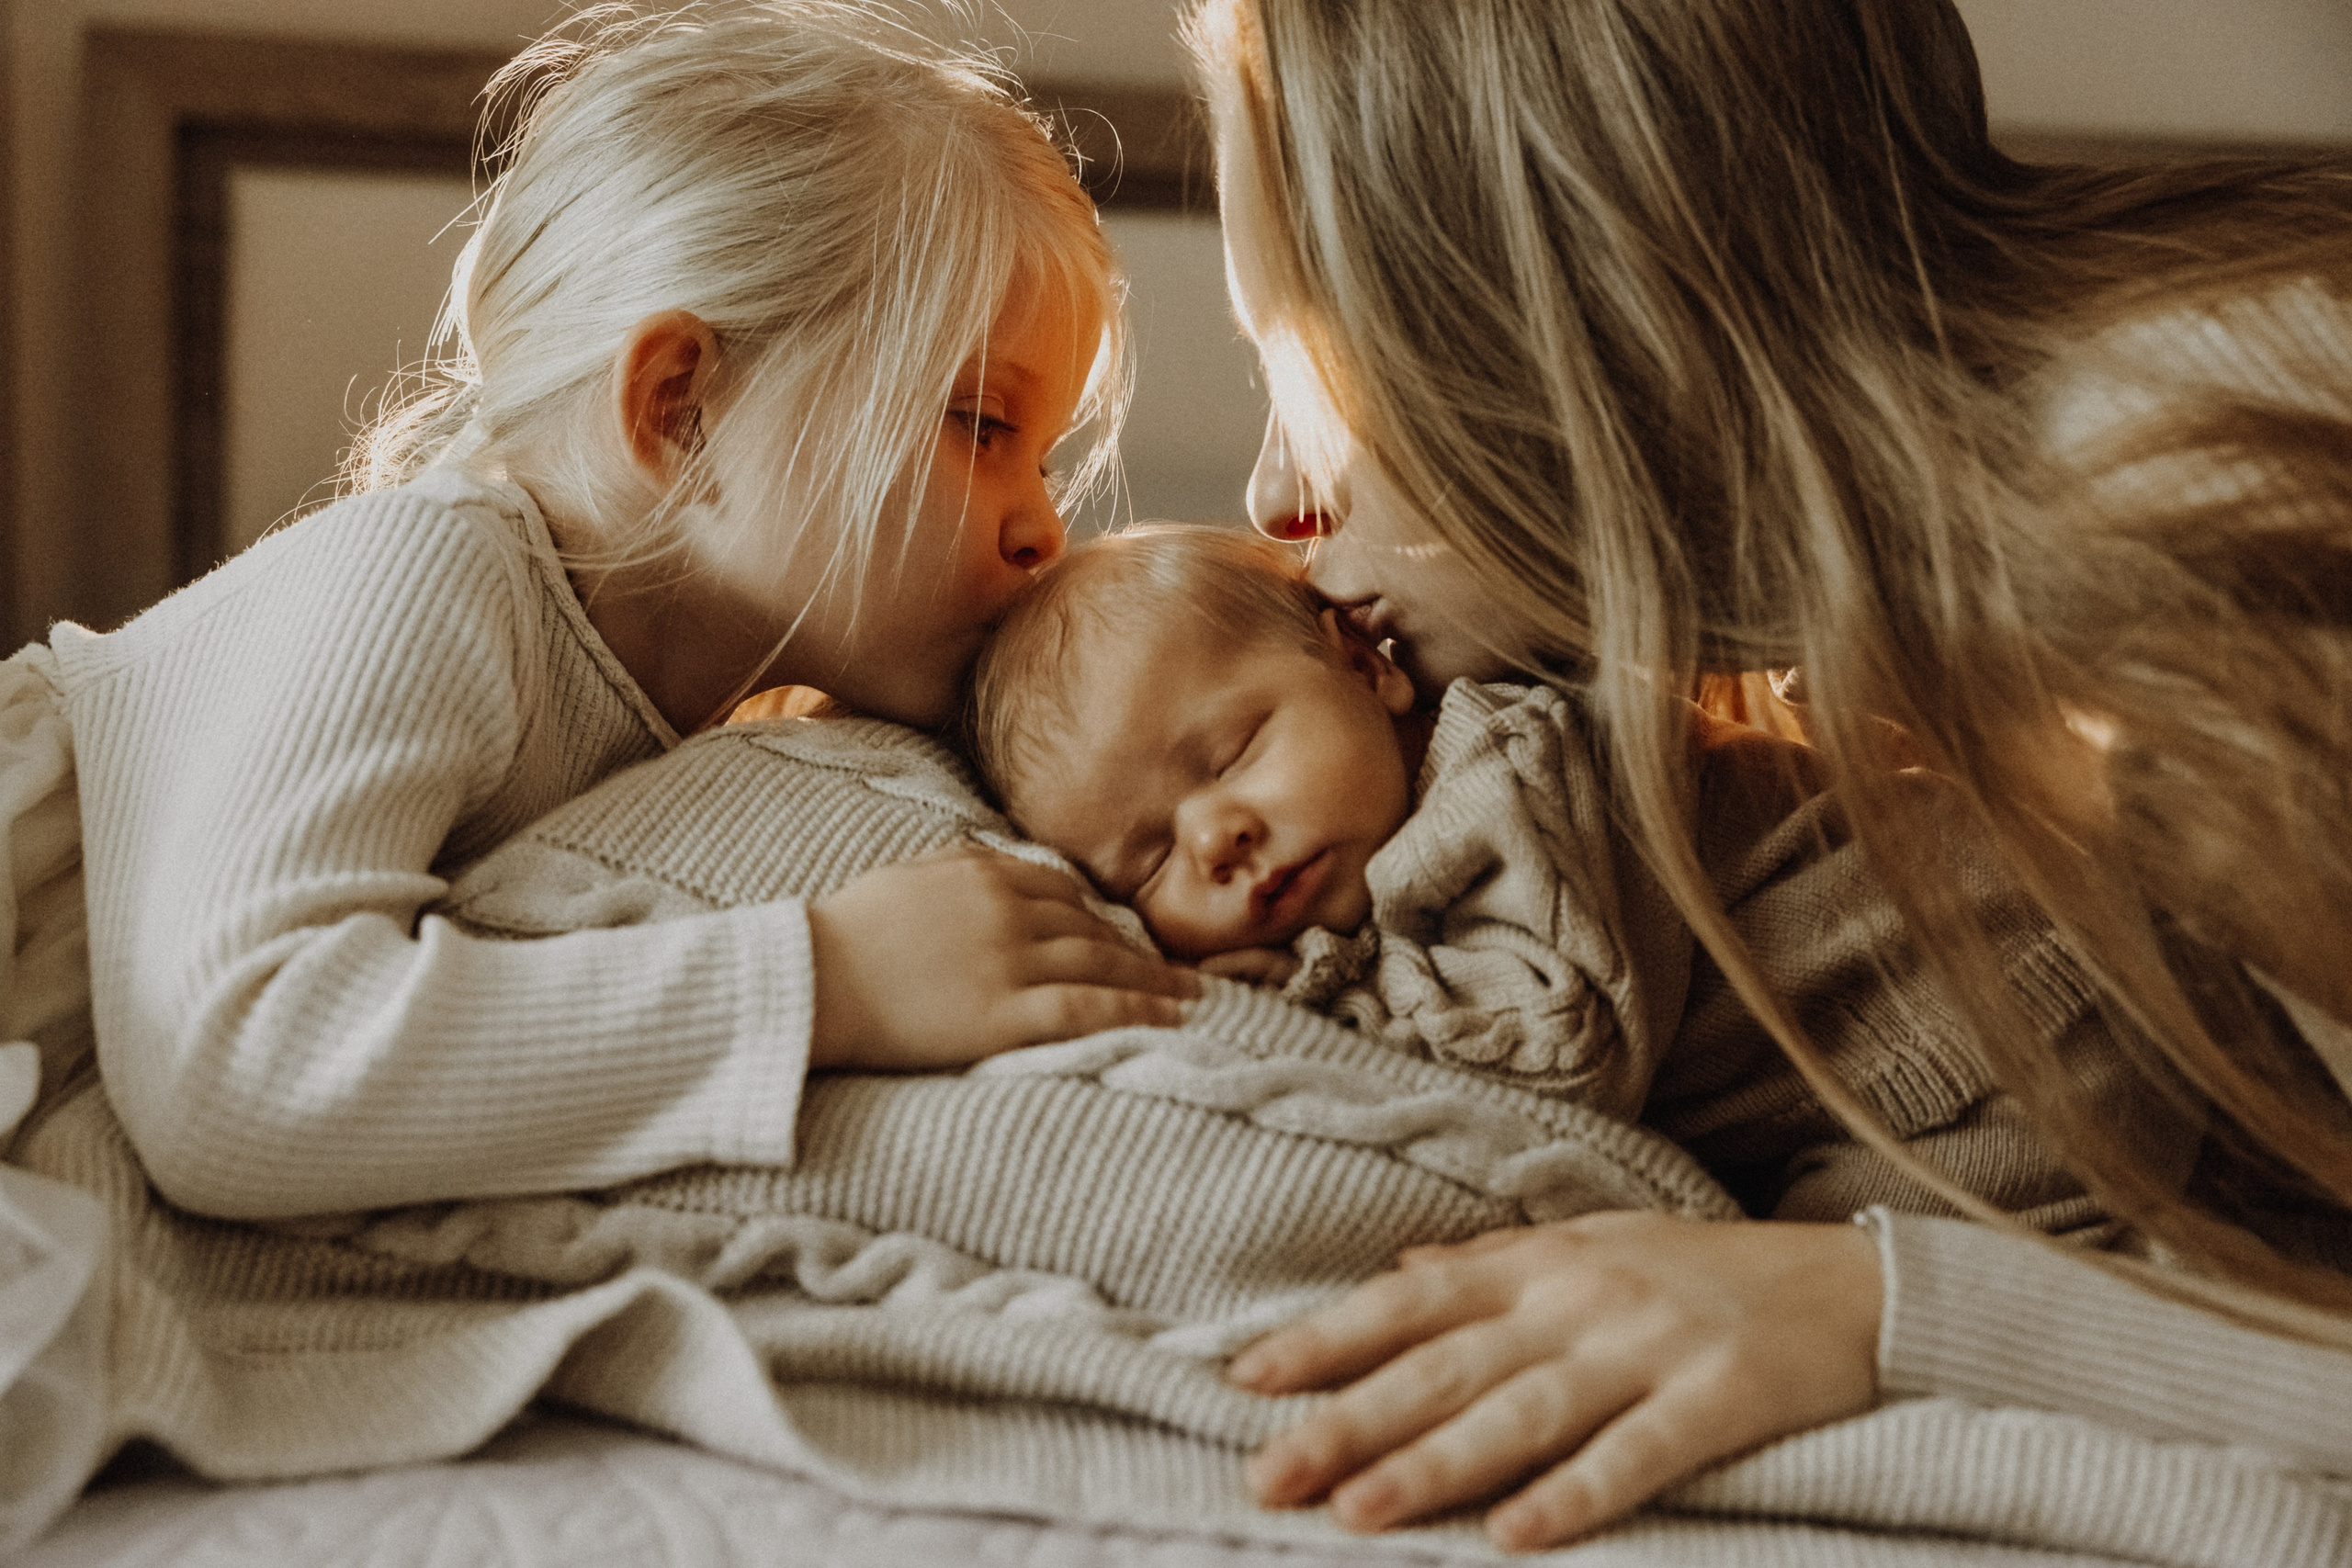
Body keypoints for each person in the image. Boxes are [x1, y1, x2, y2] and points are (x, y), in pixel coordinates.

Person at [1182, 0, 2352, 1552]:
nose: (1272, 492)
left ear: (1541, 308)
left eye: (1310, 363)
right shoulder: (1866, 622)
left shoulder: (2191, 538)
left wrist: (1876, 1306)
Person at [0, 1, 1199, 1223]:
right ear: (683, 408)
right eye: (983, 426)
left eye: (1046, 459)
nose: (1044, 527)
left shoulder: (720, 733)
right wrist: (831, 978)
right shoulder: (429, 568)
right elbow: (237, 1072)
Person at [967, 521, 2157, 1227]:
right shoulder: (1395, 840)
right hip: (1907, 1060)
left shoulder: (1512, 770)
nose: (1215, 837)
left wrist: (1307, 1005)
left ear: (1363, 667)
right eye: (1148, 859)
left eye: (1232, 753)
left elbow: (1548, 1053)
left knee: (1820, 1302)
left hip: (2020, 1014)